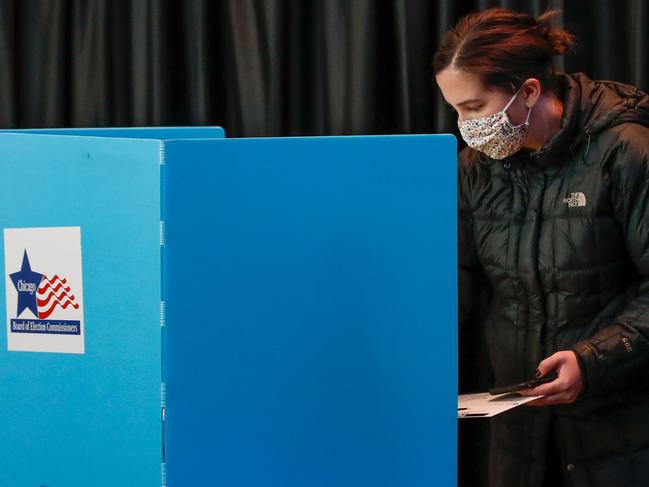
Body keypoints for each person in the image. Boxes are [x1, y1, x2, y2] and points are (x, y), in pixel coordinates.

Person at [433, 7, 649, 487]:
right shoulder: (475, 168)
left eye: (472, 107)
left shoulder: (627, 151)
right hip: (519, 436)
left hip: (619, 433)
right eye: (454, 109)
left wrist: (592, 360)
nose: (463, 125)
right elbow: (457, 282)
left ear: (529, 91)